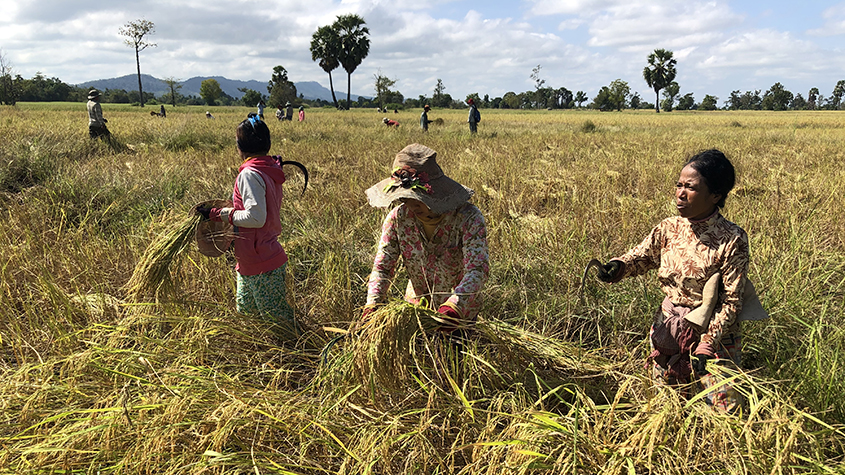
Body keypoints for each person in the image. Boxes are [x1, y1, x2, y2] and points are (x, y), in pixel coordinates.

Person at [596, 149, 748, 412]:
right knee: (665, 405)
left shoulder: (732, 238)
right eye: (679, 185)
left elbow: (732, 302)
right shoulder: (669, 228)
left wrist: (707, 343)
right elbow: (640, 258)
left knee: (723, 411)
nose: (680, 193)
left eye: (690, 187)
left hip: (711, 337)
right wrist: (617, 267)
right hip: (669, 330)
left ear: (715, 195)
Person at [362, 144, 489, 332]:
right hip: (416, 311)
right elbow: (382, 268)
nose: (412, 206)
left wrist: (453, 308)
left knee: (454, 359)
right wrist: (372, 305)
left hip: (459, 315)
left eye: (418, 199)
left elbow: (477, 270)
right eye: (405, 199)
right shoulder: (398, 219)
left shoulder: (468, 218)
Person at [195, 114, 304, 332]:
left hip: (262, 263)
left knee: (279, 326)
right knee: (248, 316)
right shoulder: (267, 169)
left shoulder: (250, 174)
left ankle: (299, 357)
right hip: (251, 259)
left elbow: (256, 217)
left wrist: (219, 214)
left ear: (239, 147)